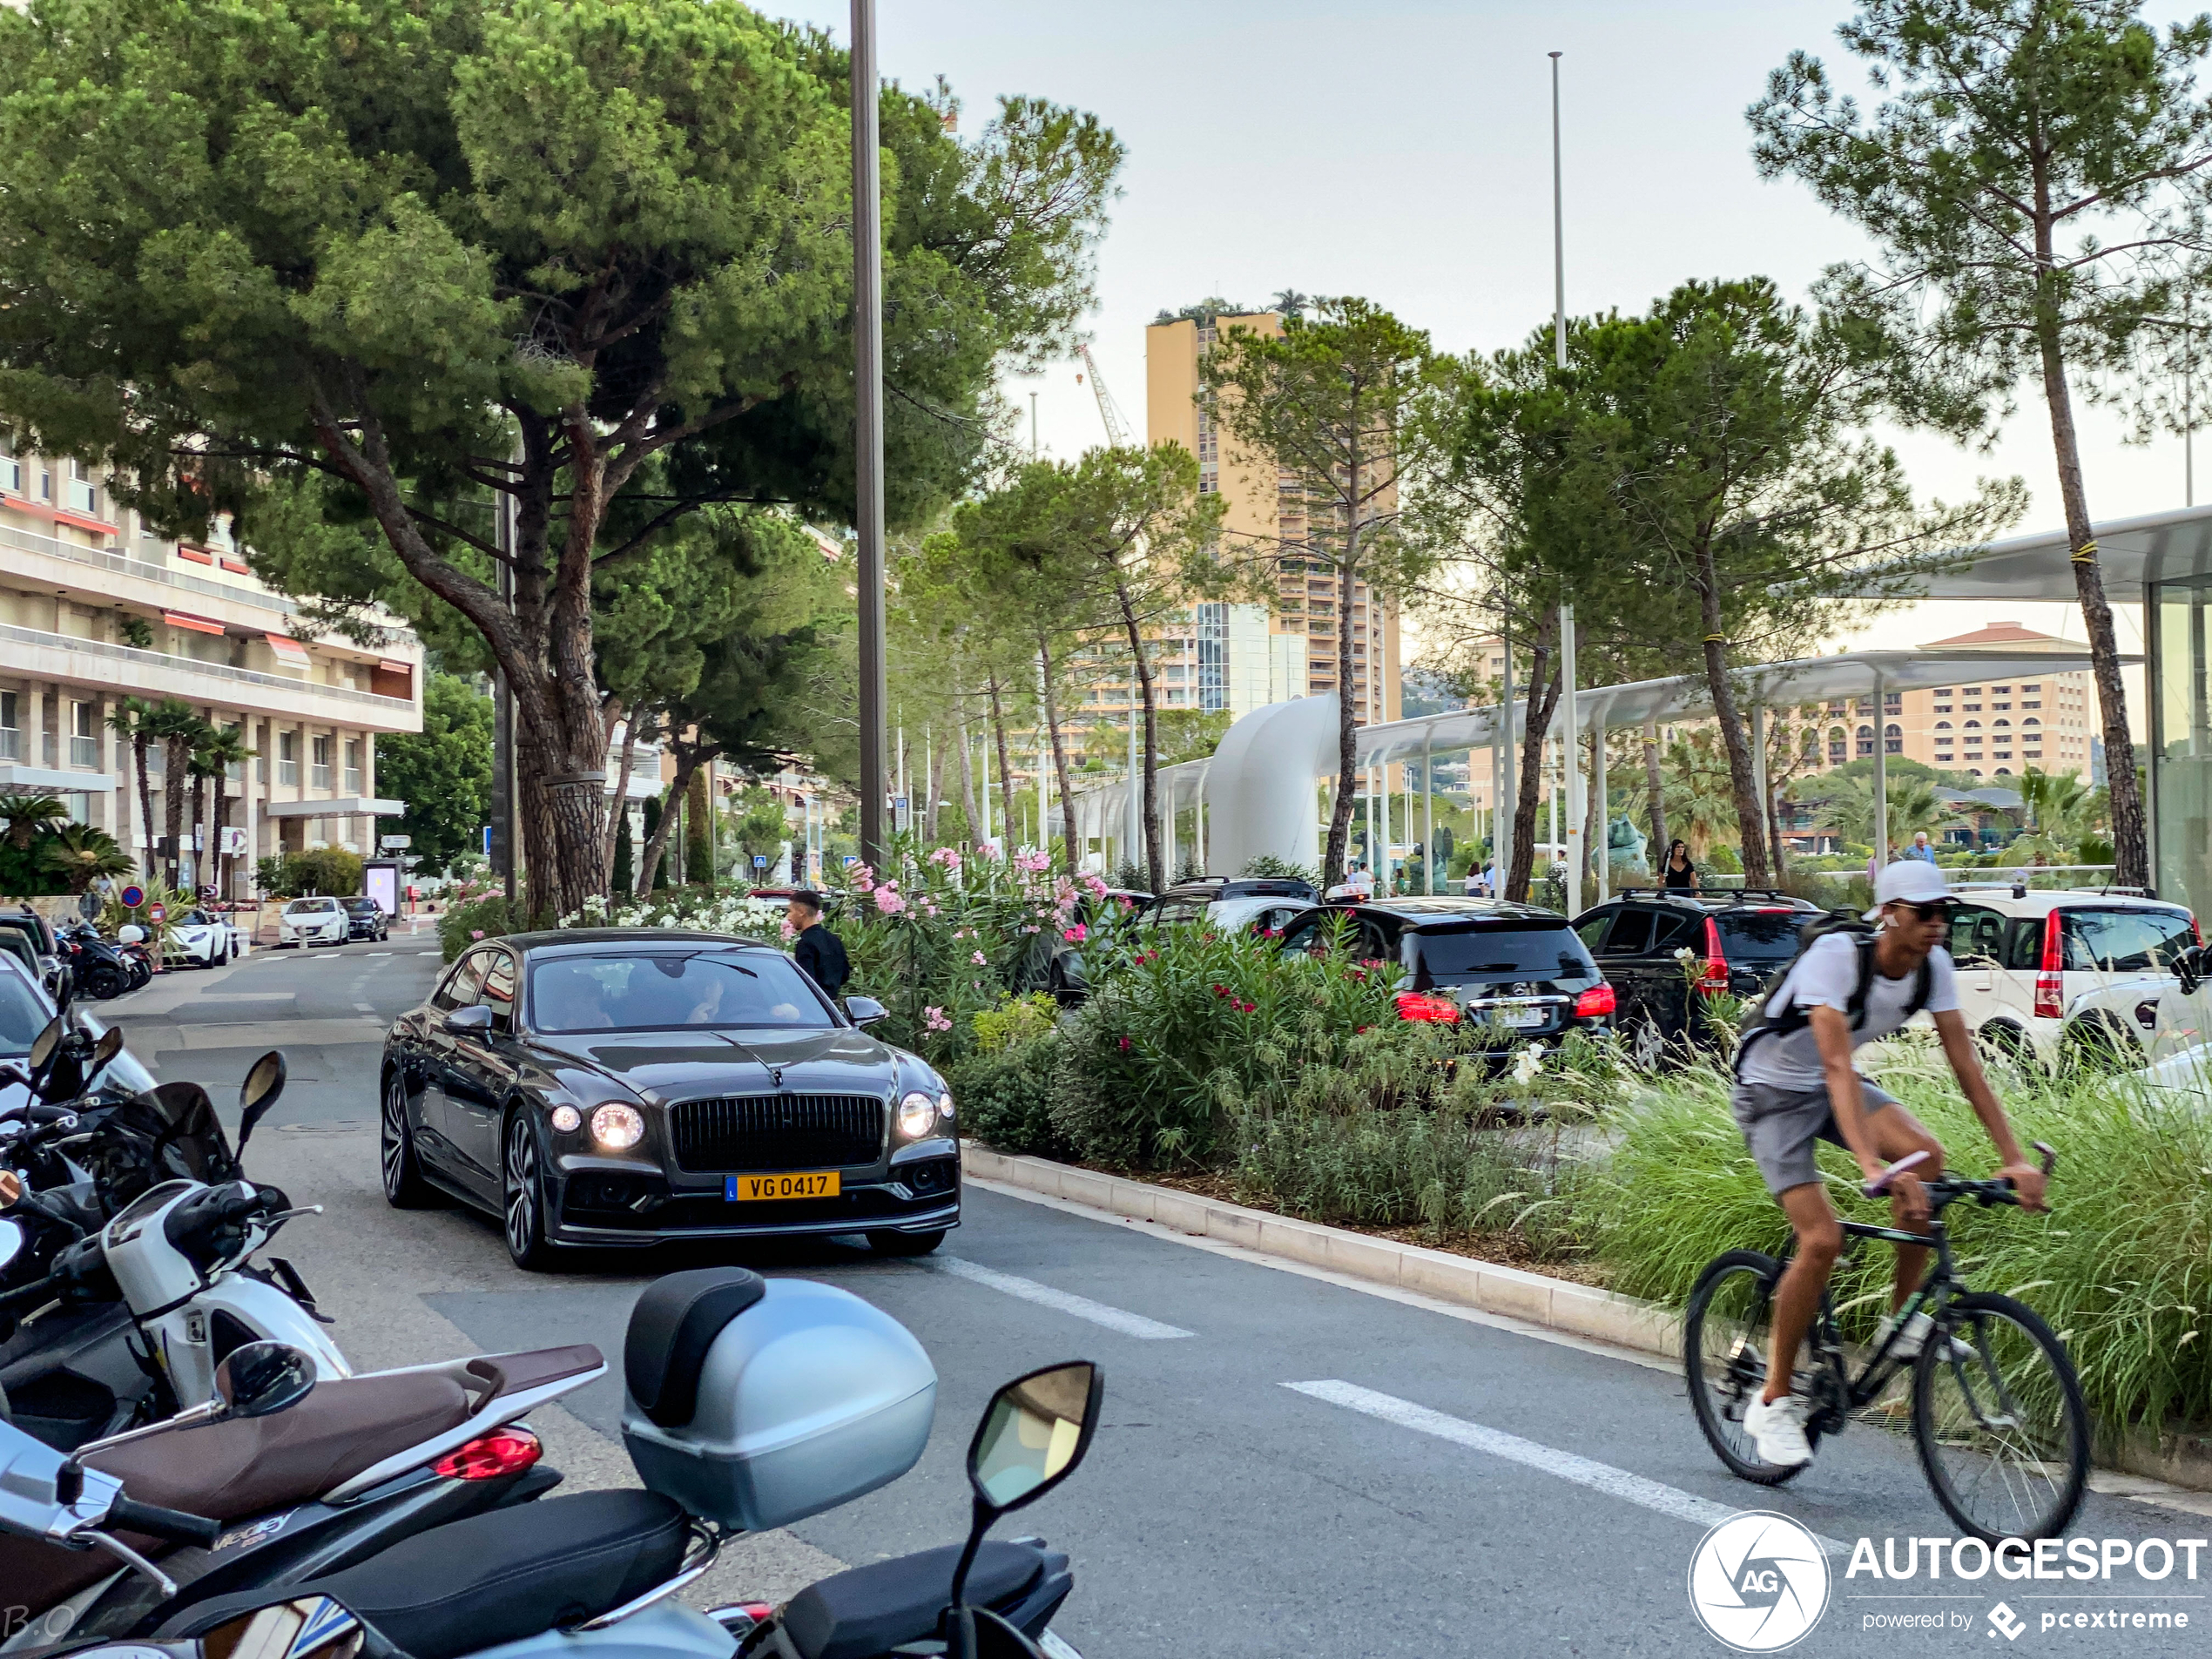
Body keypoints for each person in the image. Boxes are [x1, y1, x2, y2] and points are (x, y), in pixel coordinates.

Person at [1731, 860, 2047, 1469]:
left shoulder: (1933, 969)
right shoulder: (1836, 957)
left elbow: (1966, 1065)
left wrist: (2013, 1157)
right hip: (1770, 1092)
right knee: (1820, 1240)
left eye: (1943, 913)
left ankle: (1900, 1323)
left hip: (1833, 1089)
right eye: (1924, 913)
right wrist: (1875, 1165)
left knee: (1929, 1159)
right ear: (1889, 913)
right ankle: (1771, 1399)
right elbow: (1835, 1065)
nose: (1937, 925)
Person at [786, 891, 850, 997]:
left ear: (802, 911)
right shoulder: (834, 940)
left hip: (813, 1004)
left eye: (790, 911)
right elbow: (845, 974)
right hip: (831, 1007)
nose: (788, 917)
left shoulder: (806, 943)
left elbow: (806, 982)